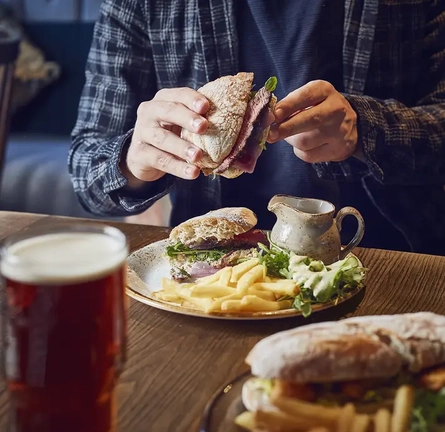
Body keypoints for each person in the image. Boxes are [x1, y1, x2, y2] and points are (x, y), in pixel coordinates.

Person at [69, 0, 445, 255]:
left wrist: (367, 130)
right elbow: (87, 170)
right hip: (210, 272)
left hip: (387, 257)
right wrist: (135, 159)